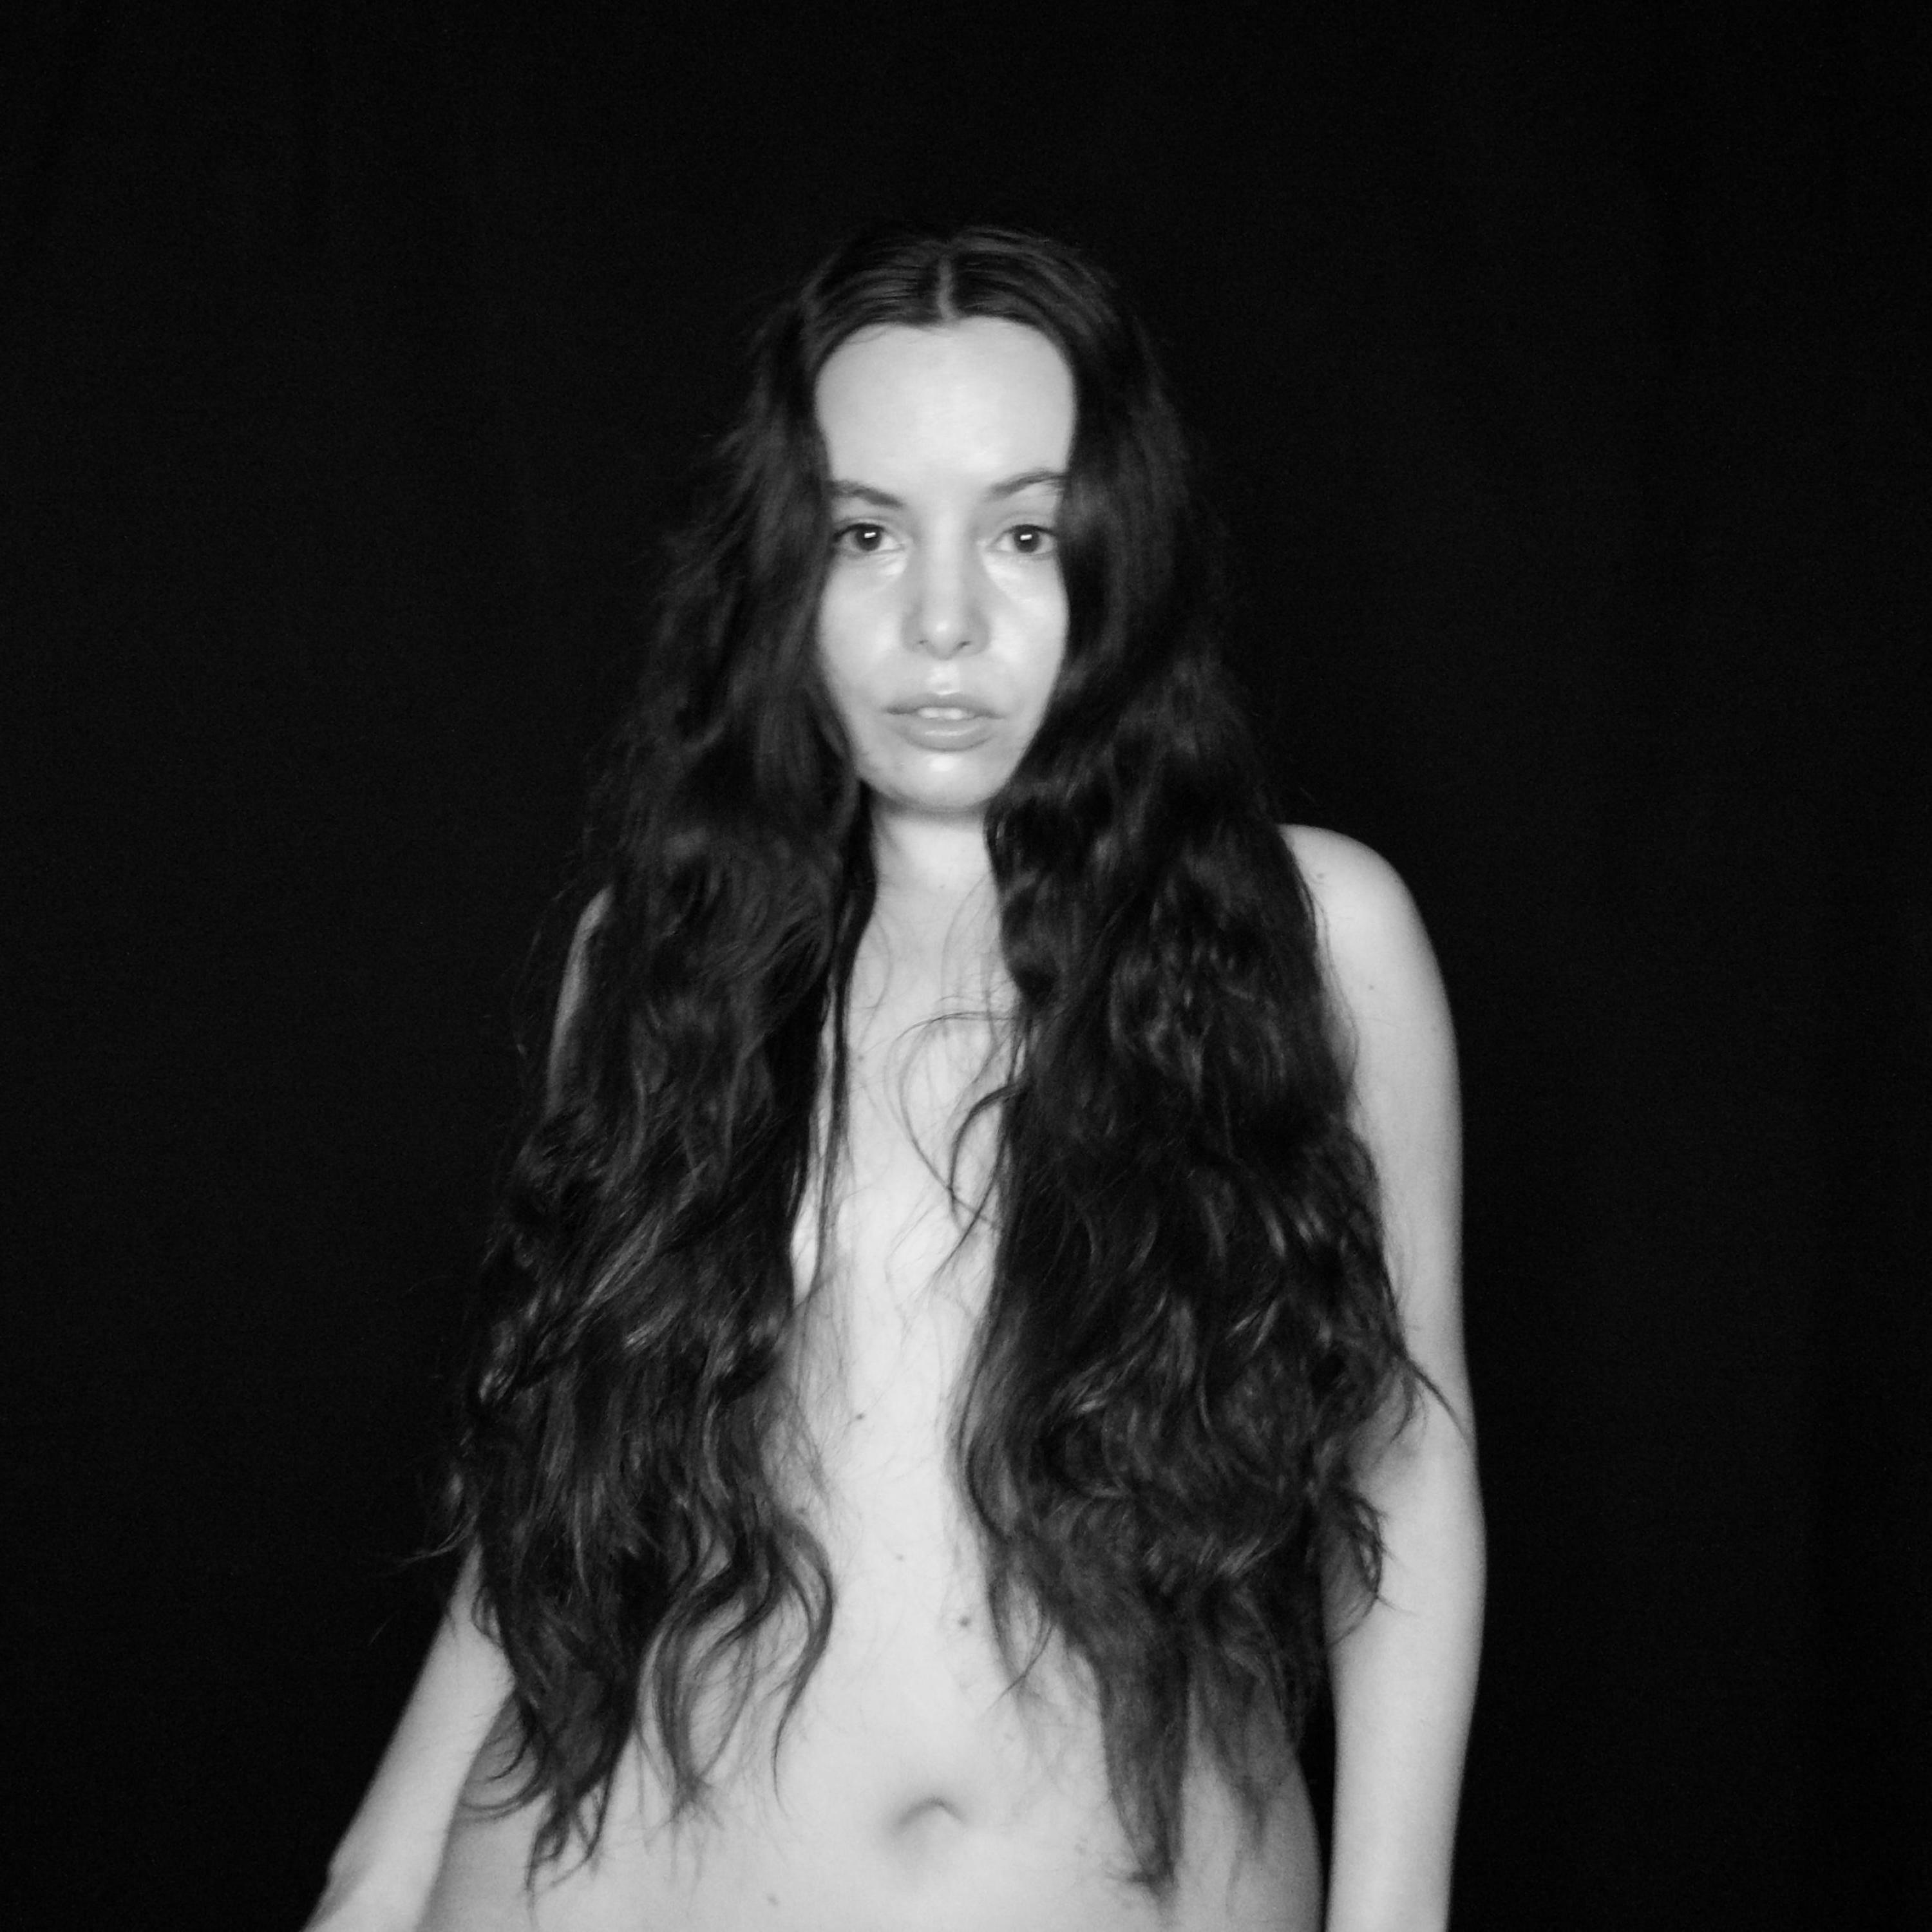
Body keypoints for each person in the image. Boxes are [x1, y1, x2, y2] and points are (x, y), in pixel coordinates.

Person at [306, 225, 1483, 1932]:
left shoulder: (1313, 937)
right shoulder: (660, 952)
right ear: (785, 566)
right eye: (867, 533)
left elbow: (1407, 1467)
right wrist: (378, 1865)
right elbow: (562, 1486)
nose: (942, 621)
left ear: (1124, 554)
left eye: (1022, 533)